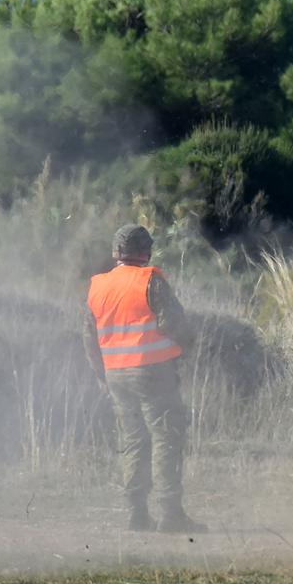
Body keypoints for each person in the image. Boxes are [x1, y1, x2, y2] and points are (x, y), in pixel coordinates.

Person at [84, 224, 204, 533]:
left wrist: (102, 373)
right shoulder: (149, 279)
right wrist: (185, 347)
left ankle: (136, 514)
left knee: (134, 440)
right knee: (166, 437)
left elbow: (89, 336)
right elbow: (173, 322)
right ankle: (170, 515)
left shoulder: (98, 285)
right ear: (145, 251)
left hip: (115, 375)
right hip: (151, 370)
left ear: (117, 252)